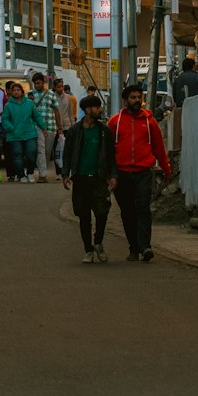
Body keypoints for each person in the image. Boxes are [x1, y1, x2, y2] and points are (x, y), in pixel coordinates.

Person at [106, 83, 171, 262]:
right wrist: (109, 174)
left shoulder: (150, 122)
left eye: (138, 97)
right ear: (125, 100)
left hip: (143, 172)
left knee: (143, 208)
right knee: (127, 212)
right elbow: (107, 150)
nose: (137, 101)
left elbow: (158, 147)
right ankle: (133, 248)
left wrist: (166, 169)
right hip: (122, 174)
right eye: (133, 98)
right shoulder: (115, 122)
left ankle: (145, 247)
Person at [62, 95, 112, 264]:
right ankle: (88, 249)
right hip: (81, 179)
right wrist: (65, 174)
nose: (99, 110)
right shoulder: (75, 131)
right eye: (96, 107)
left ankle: (98, 242)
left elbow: (111, 155)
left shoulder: (104, 131)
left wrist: (113, 176)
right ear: (88, 110)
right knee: (84, 216)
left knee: (102, 212)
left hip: (99, 179)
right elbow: (67, 153)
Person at [1, 82, 41, 183]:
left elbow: (36, 116)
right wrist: (10, 128)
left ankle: (30, 173)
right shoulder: (8, 105)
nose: (16, 92)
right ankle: (21, 175)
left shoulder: (29, 103)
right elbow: (4, 119)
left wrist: (44, 127)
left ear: (22, 92)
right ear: (11, 92)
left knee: (31, 154)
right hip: (14, 135)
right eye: (14, 90)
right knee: (17, 156)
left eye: (18, 90)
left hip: (29, 133)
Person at [29, 72, 61, 182]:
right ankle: (42, 175)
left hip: (51, 127)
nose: (36, 85)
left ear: (43, 82)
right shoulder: (30, 95)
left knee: (47, 151)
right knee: (40, 150)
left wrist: (60, 128)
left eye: (38, 83)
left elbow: (56, 111)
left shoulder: (51, 94)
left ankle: (43, 171)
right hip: (36, 127)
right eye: (34, 84)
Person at [52, 78, 77, 177]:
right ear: (54, 87)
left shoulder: (68, 97)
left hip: (67, 126)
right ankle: (58, 172)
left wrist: (72, 126)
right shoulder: (51, 97)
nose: (61, 88)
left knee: (67, 149)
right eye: (58, 87)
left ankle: (67, 170)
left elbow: (71, 113)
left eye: (62, 86)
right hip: (55, 127)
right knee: (57, 150)